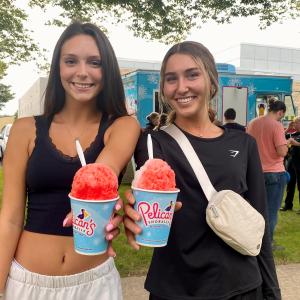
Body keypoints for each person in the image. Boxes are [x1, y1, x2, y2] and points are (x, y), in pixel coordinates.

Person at [124, 41, 280, 300]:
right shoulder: (153, 143)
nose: (181, 87)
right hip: (175, 288)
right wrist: (132, 213)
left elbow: (260, 226)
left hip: (240, 287)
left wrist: (272, 293)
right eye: (171, 79)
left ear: (211, 80)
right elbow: (144, 207)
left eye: (192, 74)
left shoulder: (243, 144)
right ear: (163, 88)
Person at [0, 22, 140, 300]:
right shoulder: (25, 129)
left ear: (107, 70)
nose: (82, 72)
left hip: (95, 283)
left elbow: (103, 172)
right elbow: (11, 216)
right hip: (28, 283)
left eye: (94, 62)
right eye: (71, 61)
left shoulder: (123, 125)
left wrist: (93, 200)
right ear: (58, 68)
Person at [247, 98, 288, 247]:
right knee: (270, 211)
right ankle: (267, 244)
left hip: (254, 172)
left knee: (255, 209)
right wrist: (287, 144)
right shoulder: (276, 126)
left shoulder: (252, 123)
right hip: (274, 173)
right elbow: (282, 151)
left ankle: (253, 240)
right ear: (280, 112)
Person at [281, 117, 300, 212]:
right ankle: (288, 205)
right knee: (290, 183)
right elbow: (281, 136)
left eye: (296, 123)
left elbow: (295, 143)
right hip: (292, 161)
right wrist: (288, 128)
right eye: (294, 123)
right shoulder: (294, 134)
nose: (295, 125)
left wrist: (293, 142)